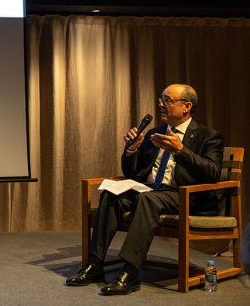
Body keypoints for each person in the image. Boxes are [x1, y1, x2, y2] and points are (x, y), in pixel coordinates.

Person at [66, 83, 224, 295]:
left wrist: (181, 150)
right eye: (161, 100)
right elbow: (134, 173)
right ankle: (95, 264)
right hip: (150, 190)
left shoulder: (208, 136)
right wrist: (131, 149)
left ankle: (130, 273)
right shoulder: (156, 133)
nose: (161, 105)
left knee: (149, 200)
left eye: (167, 100)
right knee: (112, 194)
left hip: (185, 196)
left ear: (186, 106)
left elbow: (212, 173)